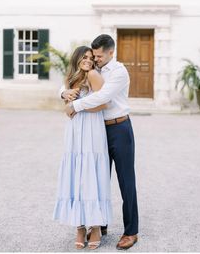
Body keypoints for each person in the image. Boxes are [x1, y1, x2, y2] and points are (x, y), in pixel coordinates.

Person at [62, 34, 139, 250]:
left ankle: (131, 231)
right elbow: (70, 80)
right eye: (94, 56)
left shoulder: (118, 71)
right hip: (97, 130)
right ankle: (99, 223)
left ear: (110, 52)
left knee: (126, 181)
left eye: (99, 56)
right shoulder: (93, 68)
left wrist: (74, 106)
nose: (96, 59)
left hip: (119, 128)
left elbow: (102, 97)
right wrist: (64, 94)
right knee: (96, 179)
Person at [53, 46, 112, 250]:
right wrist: (65, 95)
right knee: (76, 174)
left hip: (92, 129)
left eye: (90, 57)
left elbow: (105, 103)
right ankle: (79, 226)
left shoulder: (93, 75)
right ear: (77, 59)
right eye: (84, 57)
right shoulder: (72, 79)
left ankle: (95, 226)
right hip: (74, 131)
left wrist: (77, 107)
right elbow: (62, 91)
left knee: (90, 174)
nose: (88, 60)